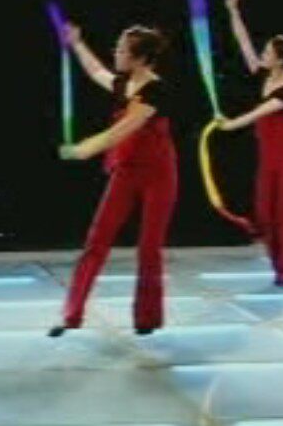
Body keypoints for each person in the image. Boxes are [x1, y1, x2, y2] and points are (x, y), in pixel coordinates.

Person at [49, 24, 178, 337]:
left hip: (158, 175)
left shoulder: (155, 90)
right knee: (96, 241)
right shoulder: (124, 83)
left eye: (121, 50)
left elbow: (122, 130)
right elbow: (96, 71)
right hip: (127, 171)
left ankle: (147, 318)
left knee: (149, 248)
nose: (115, 53)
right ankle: (71, 314)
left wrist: (83, 149)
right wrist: (77, 43)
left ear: (141, 59)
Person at [219, 0, 283, 287]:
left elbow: (259, 113)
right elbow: (243, 43)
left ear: (281, 59)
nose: (263, 54)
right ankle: (277, 264)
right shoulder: (264, 76)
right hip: (269, 157)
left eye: (268, 51)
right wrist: (233, 11)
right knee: (264, 213)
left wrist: (230, 124)